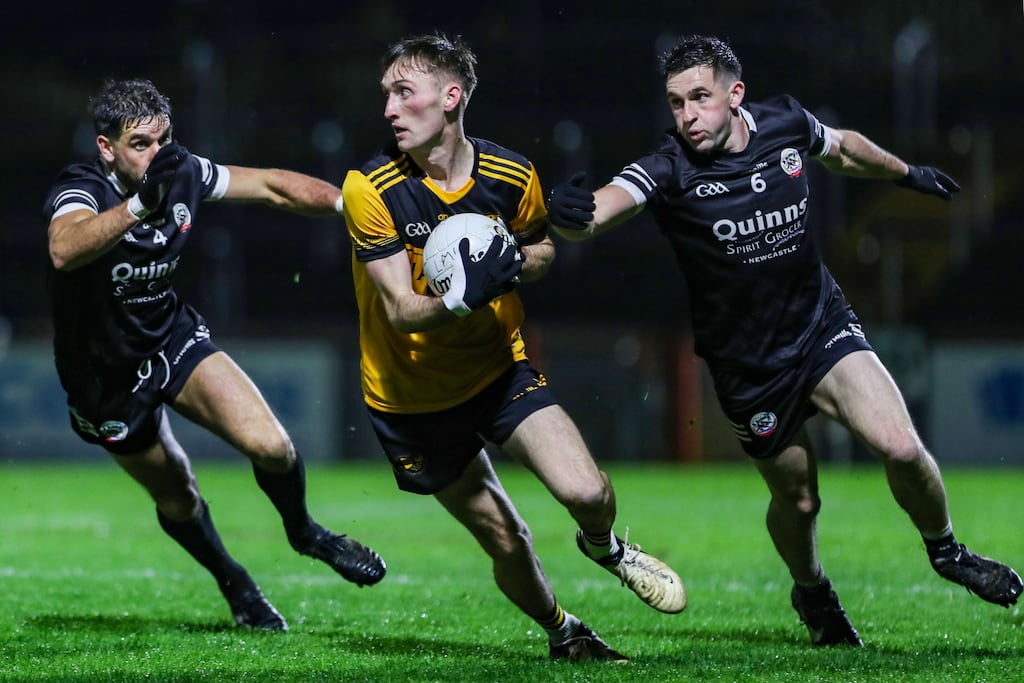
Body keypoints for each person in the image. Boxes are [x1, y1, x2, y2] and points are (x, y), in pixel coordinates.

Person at [546, 34, 1022, 647]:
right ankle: (813, 589)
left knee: (902, 449)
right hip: (749, 367)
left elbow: (844, 151)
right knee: (799, 503)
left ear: (734, 94)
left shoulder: (785, 122)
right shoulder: (667, 167)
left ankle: (947, 550)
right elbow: (607, 207)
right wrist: (571, 214)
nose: (688, 116)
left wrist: (906, 173)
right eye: (676, 103)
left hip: (822, 328)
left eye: (700, 97)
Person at [340, 33, 686, 662]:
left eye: (403, 92)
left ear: (451, 97)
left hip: (498, 368)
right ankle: (565, 633)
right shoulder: (370, 186)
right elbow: (398, 310)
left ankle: (605, 547)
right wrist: (462, 296)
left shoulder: (511, 174)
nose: (388, 108)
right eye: (385, 94)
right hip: (411, 401)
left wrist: (516, 263)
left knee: (587, 493)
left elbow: (543, 251)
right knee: (506, 536)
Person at [44, 78, 386, 632]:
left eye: (163, 140)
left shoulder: (180, 170)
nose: (156, 154)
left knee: (272, 446)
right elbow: (64, 248)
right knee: (179, 496)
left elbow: (274, 186)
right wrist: (138, 205)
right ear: (106, 147)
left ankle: (306, 533)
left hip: (170, 338)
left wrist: (354, 205)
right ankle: (236, 584)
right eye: (139, 144)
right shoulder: (82, 186)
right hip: (102, 377)